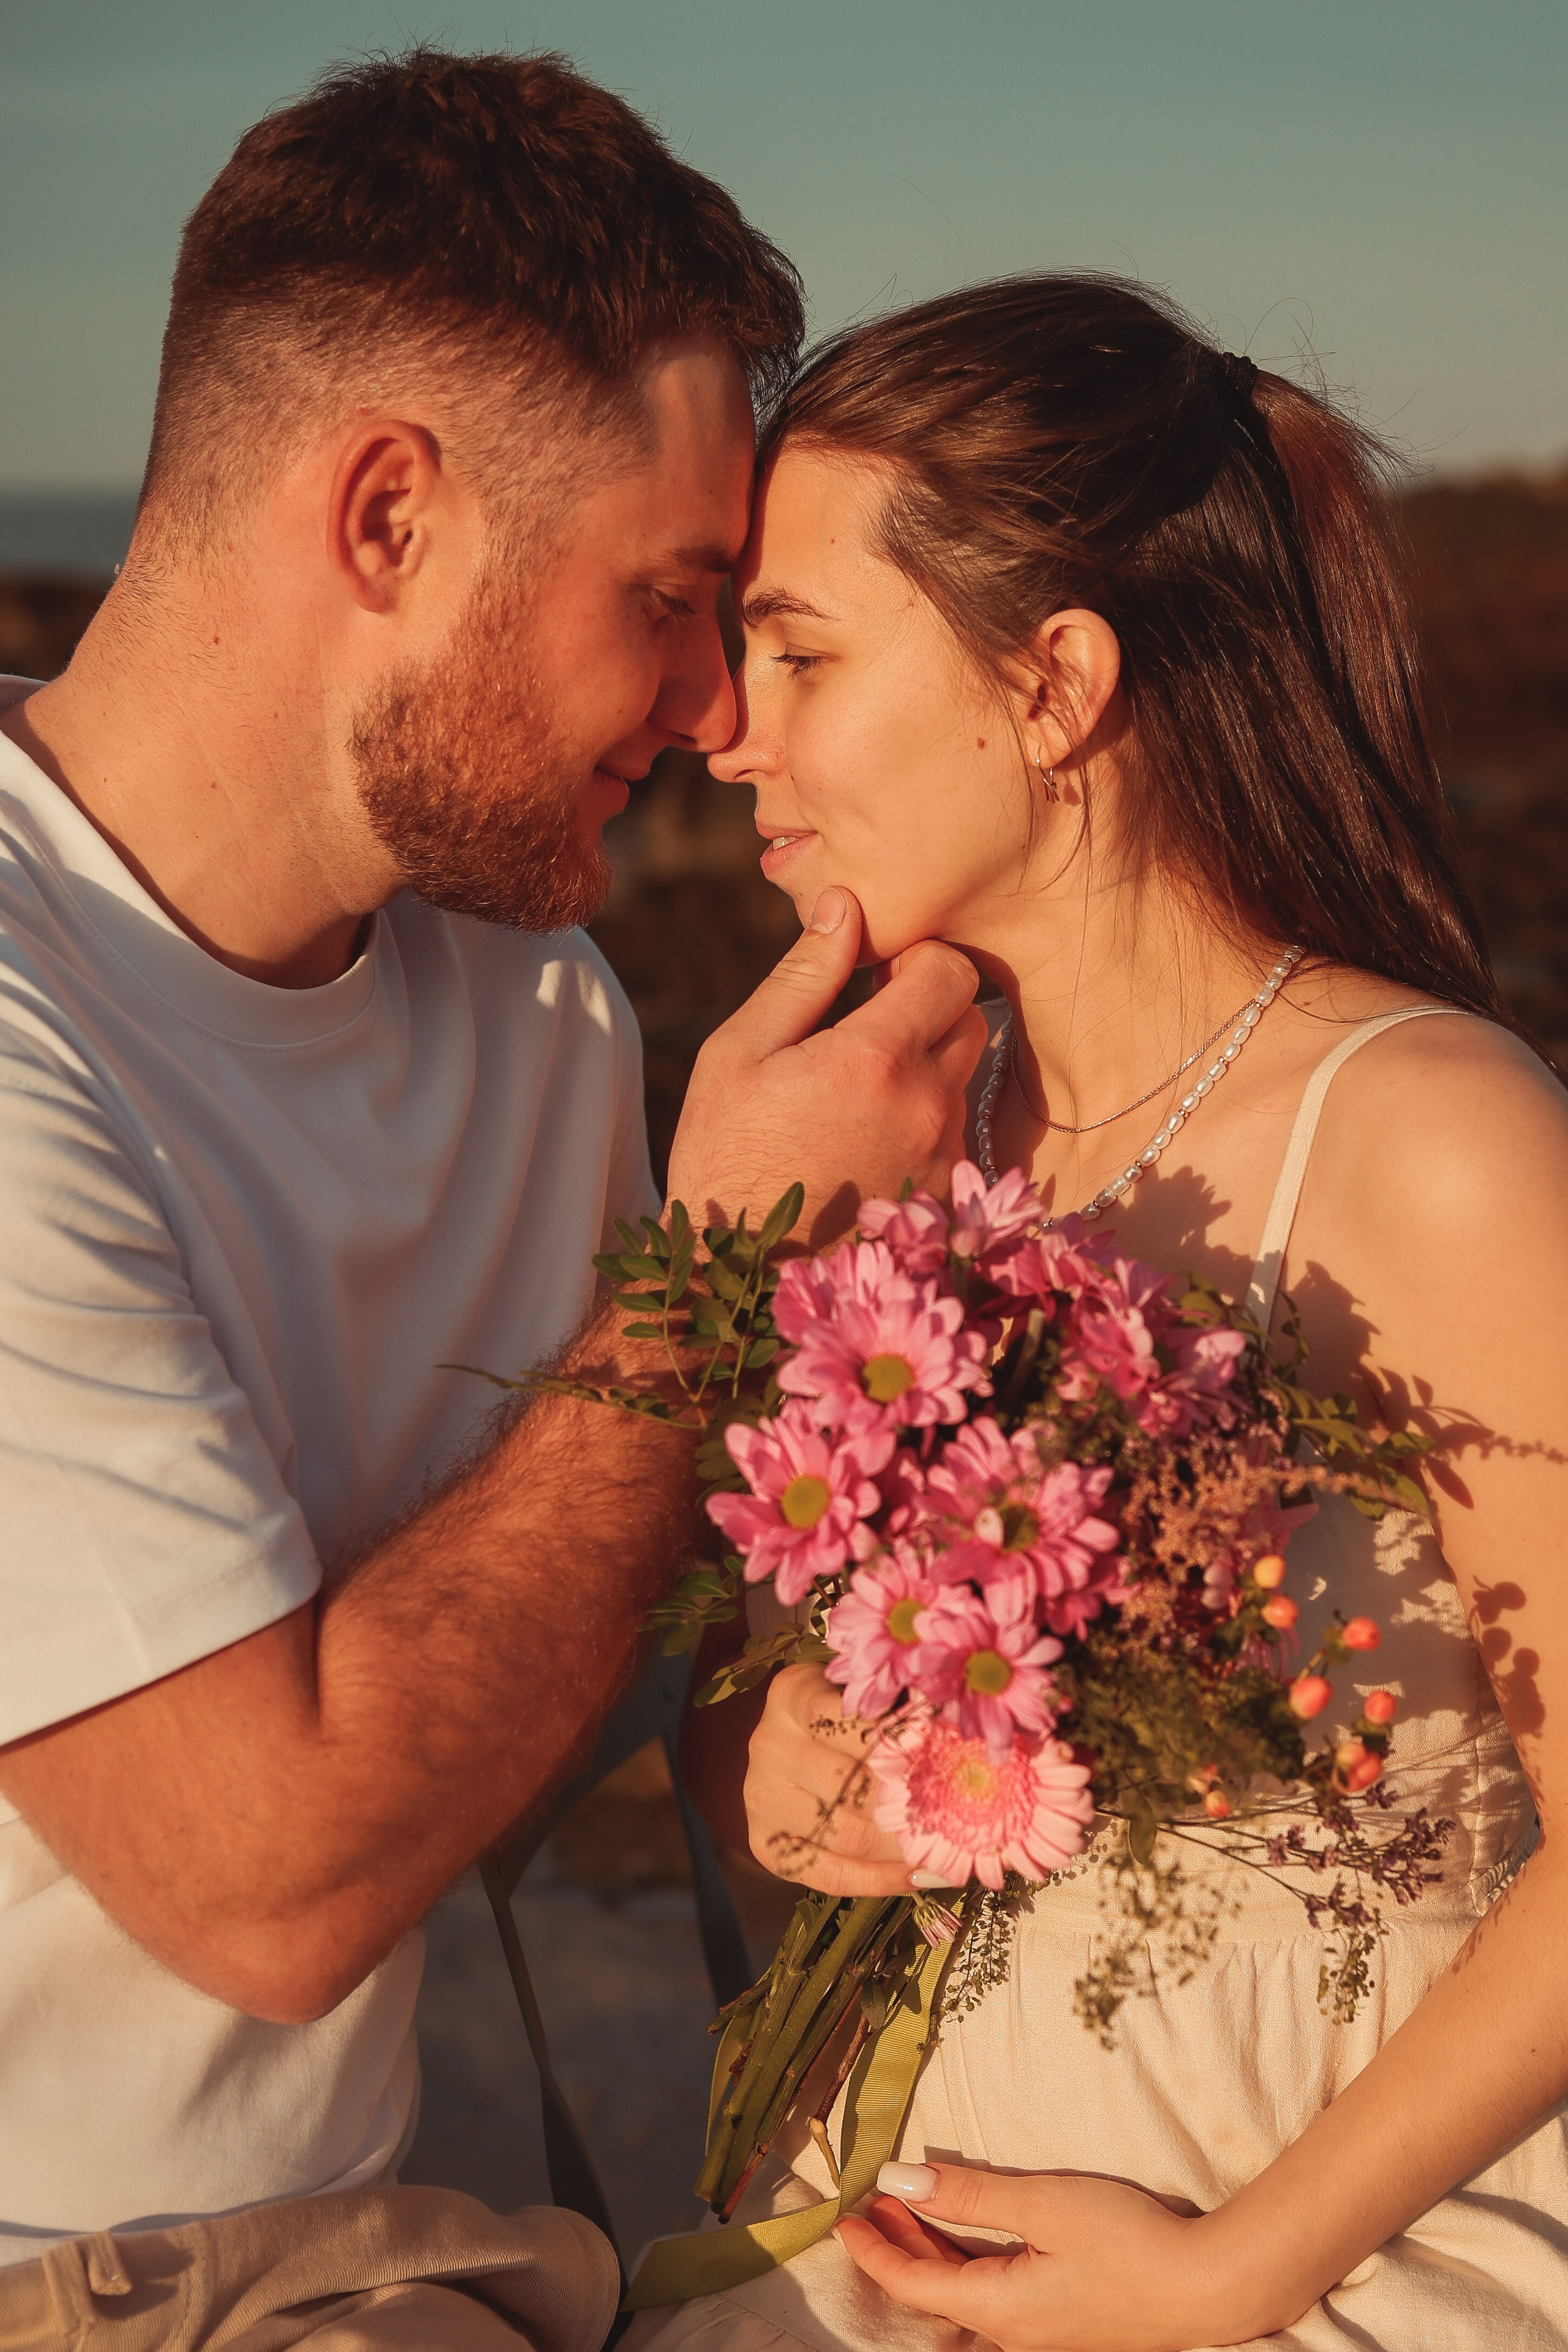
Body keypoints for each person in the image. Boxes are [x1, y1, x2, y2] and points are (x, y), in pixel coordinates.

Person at [0, 49, 988, 2350]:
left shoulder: (543, 1015)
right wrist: (720, 1279)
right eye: (670, 598)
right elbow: (267, 1881)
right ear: (386, 521)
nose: (719, 714)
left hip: (370, 2252)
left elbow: (606, 1636)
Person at [654, 276, 1568, 2352]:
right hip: (871, 2248)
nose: (728, 730)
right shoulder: (897, 1130)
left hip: (1323, 2264)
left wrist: (1235, 2276)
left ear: (1054, 679)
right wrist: (776, 1778)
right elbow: (745, 1716)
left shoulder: (1430, 1137)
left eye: (796, 651)